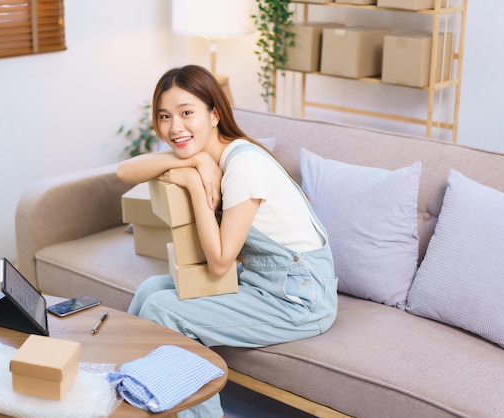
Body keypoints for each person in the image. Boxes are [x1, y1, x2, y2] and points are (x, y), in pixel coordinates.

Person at [116, 65, 338, 418]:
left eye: (187, 113)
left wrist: (191, 182)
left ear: (214, 114)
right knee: (148, 291)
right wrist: (199, 160)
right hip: (262, 283)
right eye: (165, 116)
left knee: (164, 310)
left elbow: (219, 262)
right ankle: (127, 396)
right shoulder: (215, 155)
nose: (175, 127)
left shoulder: (244, 165)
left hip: (300, 300)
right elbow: (123, 172)